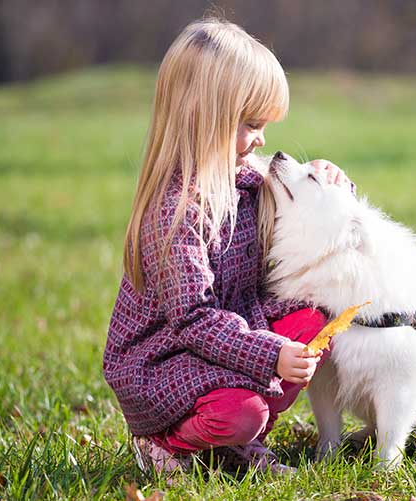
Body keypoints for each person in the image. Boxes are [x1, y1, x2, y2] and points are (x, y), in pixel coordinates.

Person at [102, 18, 353, 476]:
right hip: (166, 364)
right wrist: (269, 353)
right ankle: (166, 444)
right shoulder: (175, 214)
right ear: (205, 116)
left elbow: (306, 215)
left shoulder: (247, 180)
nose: (261, 140)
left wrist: (327, 179)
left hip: (230, 342)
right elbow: (193, 320)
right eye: (251, 124)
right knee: (245, 411)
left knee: (314, 324)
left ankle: (229, 445)